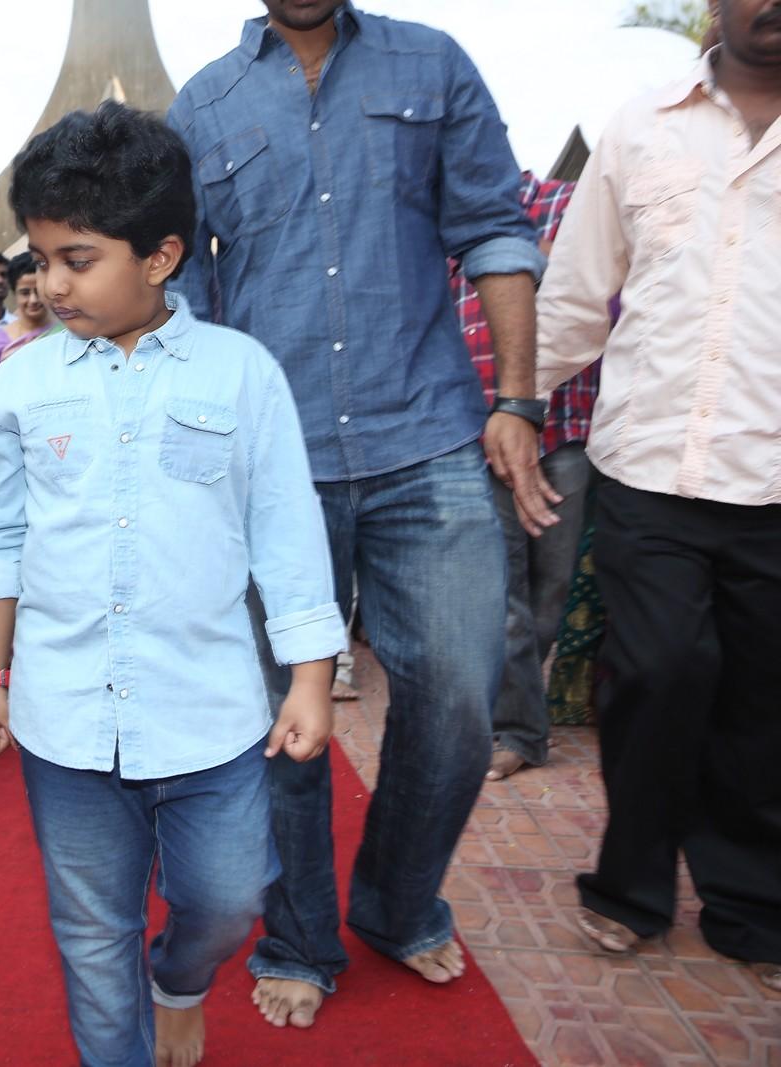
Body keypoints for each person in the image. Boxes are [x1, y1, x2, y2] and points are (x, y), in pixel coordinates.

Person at [170, 0, 547, 1028]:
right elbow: (184, 291)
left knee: (462, 696)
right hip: (271, 455)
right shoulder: (202, 103)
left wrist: (516, 401)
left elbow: (495, 228)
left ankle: (393, 896)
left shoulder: (433, 65)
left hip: (426, 433)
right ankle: (298, 933)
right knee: (281, 719)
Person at [0, 102, 346, 1067]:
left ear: (162, 257)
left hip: (210, 714)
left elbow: (286, 530)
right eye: (40, 257)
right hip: (67, 716)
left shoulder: (242, 374)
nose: (49, 283)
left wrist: (308, 674)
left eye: (76, 258)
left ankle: (180, 980)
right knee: (92, 936)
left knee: (228, 900)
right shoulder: (18, 383)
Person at [535, 0, 781, 992]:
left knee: (761, 703)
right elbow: (578, 292)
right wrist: (511, 408)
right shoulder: (640, 124)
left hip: (772, 478)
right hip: (646, 469)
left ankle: (748, 900)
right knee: (657, 674)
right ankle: (630, 887)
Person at [451, 173, 595, 781]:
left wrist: (518, 254)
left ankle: (510, 710)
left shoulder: (571, 201)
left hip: (564, 430)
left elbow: (592, 279)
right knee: (501, 597)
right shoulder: (446, 221)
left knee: (548, 597)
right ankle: (520, 732)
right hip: (481, 432)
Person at [0, 251, 56, 392]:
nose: (33, 300)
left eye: (38, 291)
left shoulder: (66, 329)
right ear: (14, 293)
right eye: (25, 293)